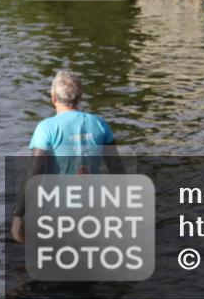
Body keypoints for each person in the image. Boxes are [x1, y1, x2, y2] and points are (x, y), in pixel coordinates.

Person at [11, 70, 124, 243]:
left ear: (53, 96)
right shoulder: (100, 124)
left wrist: (18, 215)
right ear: (80, 97)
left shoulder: (46, 128)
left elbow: (34, 171)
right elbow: (117, 170)